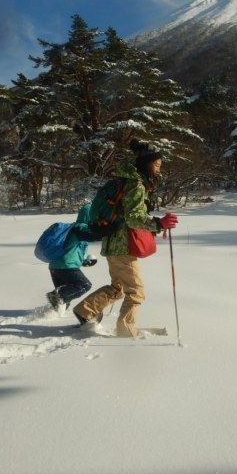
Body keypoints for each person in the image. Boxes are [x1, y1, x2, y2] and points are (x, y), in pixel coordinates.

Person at [73, 139, 178, 337]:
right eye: (156, 165)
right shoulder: (136, 185)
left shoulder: (125, 181)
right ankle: (125, 330)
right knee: (136, 292)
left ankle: (85, 310)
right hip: (123, 246)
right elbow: (133, 218)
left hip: (113, 243)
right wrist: (159, 224)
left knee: (118, 288)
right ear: (147, 163)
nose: (158, 170)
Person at [46, 203, 97, 310]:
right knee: (84, 285)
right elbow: (94, 236)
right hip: (66, 266)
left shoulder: (74, 228)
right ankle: (55, 296)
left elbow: (72, 251)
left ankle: (48, 316)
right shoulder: (80, 228)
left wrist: (84, 262)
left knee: (63, 303)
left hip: (56, 265)